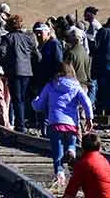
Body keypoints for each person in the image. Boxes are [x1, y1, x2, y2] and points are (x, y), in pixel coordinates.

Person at [31, 62, 94, 193]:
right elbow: (87, 101)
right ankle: (71, 151)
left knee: (57, 153)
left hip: (55, 124)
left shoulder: (50, 85)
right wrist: (89, 117)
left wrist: (34, 101)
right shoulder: (76, 86)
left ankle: (60, 176)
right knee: (71, 145)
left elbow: (38, 105)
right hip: (71, 124)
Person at [0, 15, 41, 132]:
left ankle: (19, 125)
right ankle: (25, 122)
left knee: (16, 99)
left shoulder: (7, 38)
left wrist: (6, 66)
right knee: (23, 98)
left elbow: (1, 54)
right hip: (27, 72)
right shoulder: (28, 38)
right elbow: (37, 56)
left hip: (13, 72)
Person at [63, 132, 110, 198]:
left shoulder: (83, 164)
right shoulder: (104, 160)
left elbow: (71, 190)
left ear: (82, 148)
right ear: (99, 148)